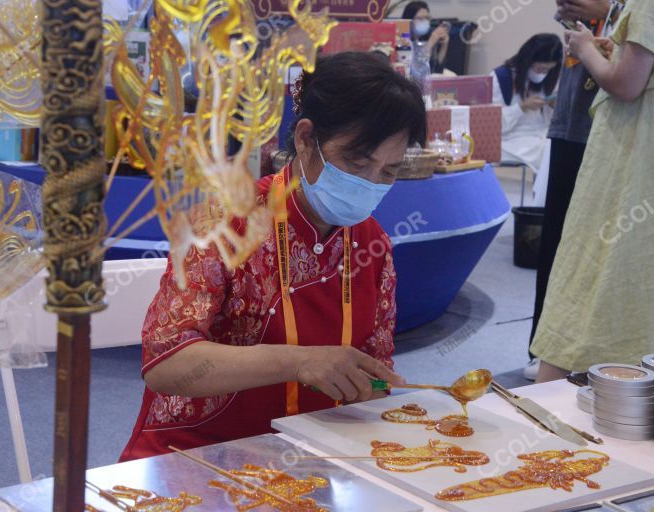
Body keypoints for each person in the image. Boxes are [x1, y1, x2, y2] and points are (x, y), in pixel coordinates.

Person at [121, 52, 426, 459]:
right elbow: (166, 364)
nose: (369, 183)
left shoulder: (372, 244)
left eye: (388, 172)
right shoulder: (226, 223)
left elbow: (372, 376)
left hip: (314, 460)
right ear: (304, 138)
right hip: (199, 456)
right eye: (356, 162)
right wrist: (297, 362)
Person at [532, 0, 654, 382]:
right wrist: (614, 51)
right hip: (651, 157)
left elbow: (626, 84)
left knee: (588, 265)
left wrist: (585, 48)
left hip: (629, 157)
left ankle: (554, 401)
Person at [524, 0, 624, 381]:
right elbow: (569, 22)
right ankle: (543, 346)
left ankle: (588, 354)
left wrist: (610, 7)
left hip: (606, 126)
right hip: (571, 121)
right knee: (558, 244)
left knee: (595, 245)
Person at [492, 34, 563, 174]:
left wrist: (554, 105)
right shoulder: (501, 78)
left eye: (548, 70)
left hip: (540, 137)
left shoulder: (550, 79)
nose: (543, 74)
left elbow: (548, 123)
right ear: (527, 60)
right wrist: (522, 107)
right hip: (510, 140)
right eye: (540, 69)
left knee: (563, 148)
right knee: (549, 153)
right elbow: (493, 126)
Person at [401, 1, 450, 74]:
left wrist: (444, 45)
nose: (425, 21)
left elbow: (437, 70)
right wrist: (430, 44)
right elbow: (416, 70)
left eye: (427, 18)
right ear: (409, 20)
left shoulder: (425, 38)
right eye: (420, 18)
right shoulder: (403, 41)